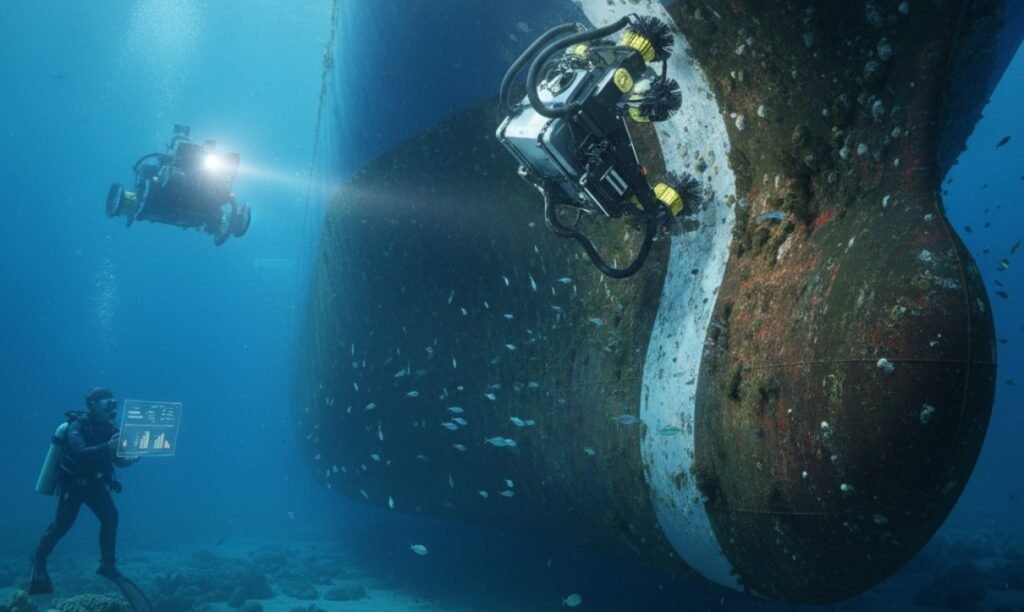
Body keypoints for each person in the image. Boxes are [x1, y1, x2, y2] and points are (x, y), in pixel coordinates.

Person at [29, 387, 139, 595]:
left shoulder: (111, 428)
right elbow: (80, 453)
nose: (112, 409)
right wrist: (108, 446)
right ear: (93, 405)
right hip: (75, 485)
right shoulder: (76, 426)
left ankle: (107, 565)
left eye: (114, 404)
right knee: (62, 526)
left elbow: (117, 460)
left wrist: (132, 459)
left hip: (96, 485)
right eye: (108, 405)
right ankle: (39, 558)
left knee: (111, 518)